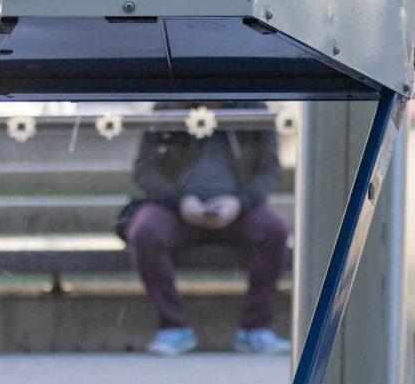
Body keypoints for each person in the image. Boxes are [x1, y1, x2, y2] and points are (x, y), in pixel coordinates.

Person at [122, 107, 291, 356]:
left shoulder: (252, 107)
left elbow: (269, 170)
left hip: (237, 209)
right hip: (175, 207)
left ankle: (255, 328)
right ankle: (172, 327)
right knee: (145, 231)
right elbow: (145, 170)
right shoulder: (168, 106)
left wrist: (239, 202)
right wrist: (180, 201)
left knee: (274, 229)